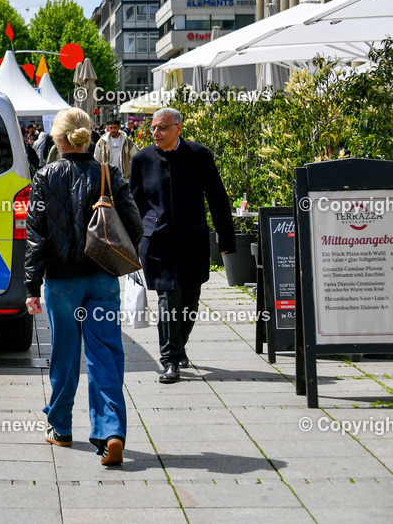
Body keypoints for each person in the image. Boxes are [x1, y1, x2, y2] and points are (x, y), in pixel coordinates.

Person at [24, 108, 142, 466]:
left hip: (61, 282)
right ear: (89, 135)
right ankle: (110, 432)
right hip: (102, 277)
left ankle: (60, 427)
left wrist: (31, 285)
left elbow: (35, 235)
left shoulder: (45, 176)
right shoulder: (109, 173)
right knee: (105, 353)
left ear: (57, 139)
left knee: (64, 354)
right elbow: (134, 226)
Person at [129, 107, 236, 384]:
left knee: (189, 299)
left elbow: (217, 197)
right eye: (153, 128)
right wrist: (132, 240)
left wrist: (226, 240)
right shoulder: (142, 159)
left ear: (179, 128)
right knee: (167, 300)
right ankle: (170, 360)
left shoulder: (199, 155)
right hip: (158, 243)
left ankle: (179, 346)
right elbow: (134, 204)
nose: (156, 133)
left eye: (162, 128)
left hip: (193, 240)